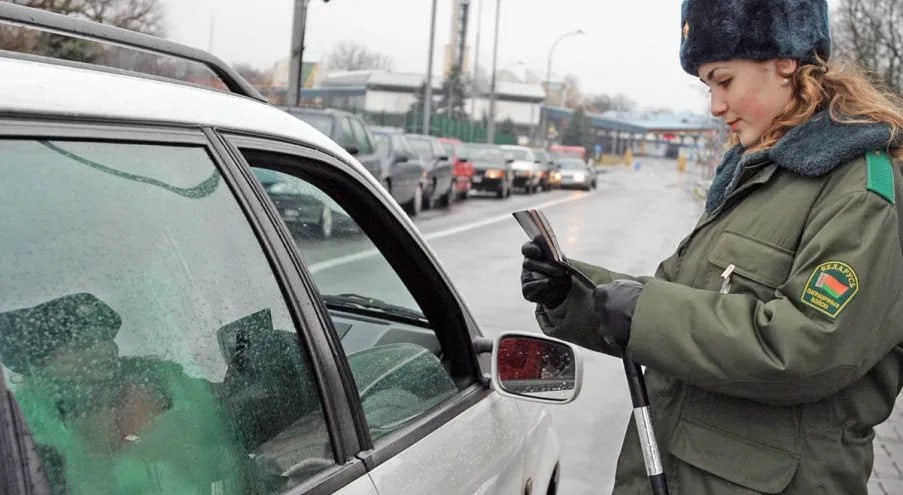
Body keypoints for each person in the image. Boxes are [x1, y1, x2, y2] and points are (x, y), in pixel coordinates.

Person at [520, 1, 903, 493]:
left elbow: (809, 347)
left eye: (724, 81)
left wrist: (644, 314)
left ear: (785, 62)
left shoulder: (861, 189)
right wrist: (570, 291)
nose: (715, 105)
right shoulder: (761, 175)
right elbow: (680, 300)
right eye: (708, 87)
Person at [0, 293, 249, 494]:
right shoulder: (19, 428)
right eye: (84, 344)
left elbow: (222, 412)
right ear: (41, 364)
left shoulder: (159, 382)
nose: (104, 350)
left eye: (106, 339)